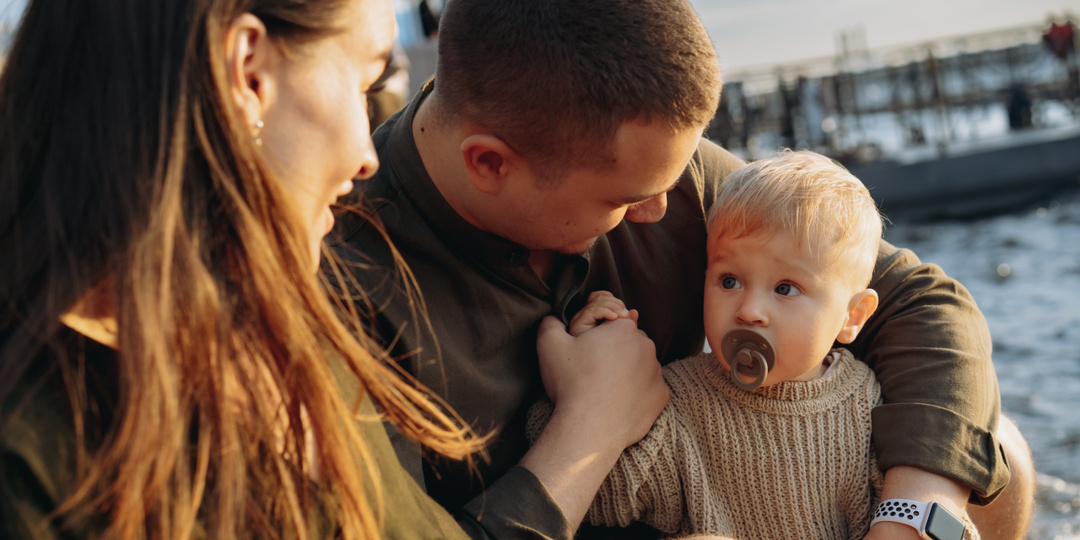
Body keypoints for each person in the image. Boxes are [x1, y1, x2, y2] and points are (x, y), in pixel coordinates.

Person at [332, 0, 1033, 538]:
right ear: (490, 163)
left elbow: (918, 300)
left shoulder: (667, 177)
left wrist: (915, 511)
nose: (664, 212)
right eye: (626, 199)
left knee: (993, 454)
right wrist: (590, 427)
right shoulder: (342, 283)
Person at [0, 0, 486, 538]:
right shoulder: (31, 470)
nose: (366, 155)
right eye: (366, 83)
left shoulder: (280, 314)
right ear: (248, 72)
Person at [528, 151, 977, 539]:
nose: (749, 310)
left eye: (785, 288)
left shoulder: (867, 400)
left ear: (851, 316)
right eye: (729, 280)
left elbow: (911, 513)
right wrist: (578, 387)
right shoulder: (678, 399)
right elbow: (604, 496)